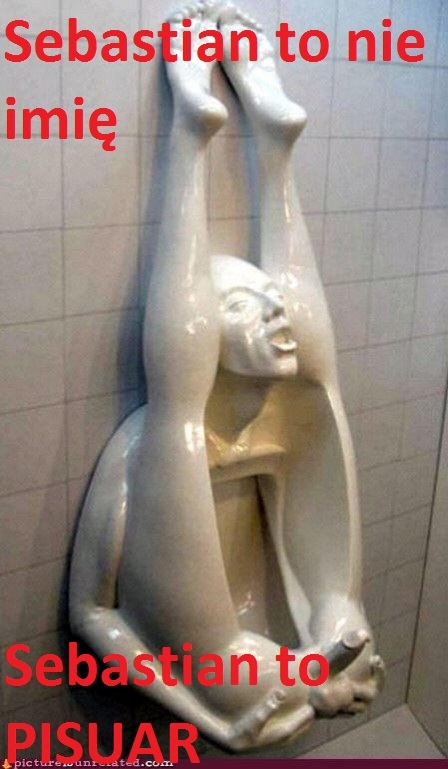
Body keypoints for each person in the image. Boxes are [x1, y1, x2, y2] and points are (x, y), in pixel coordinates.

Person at [70, 2, 384, 750]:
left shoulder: (285, 415)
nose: (278, 314)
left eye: (275, 301)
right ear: (204, 328)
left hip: (264, 667)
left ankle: (271, 150)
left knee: (316, 386)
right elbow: (91, 613)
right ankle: (195, 137)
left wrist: (327, 634)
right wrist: (207, 715)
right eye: (244, 306)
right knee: (179, 411)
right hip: (222, 664)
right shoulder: (149, 447)